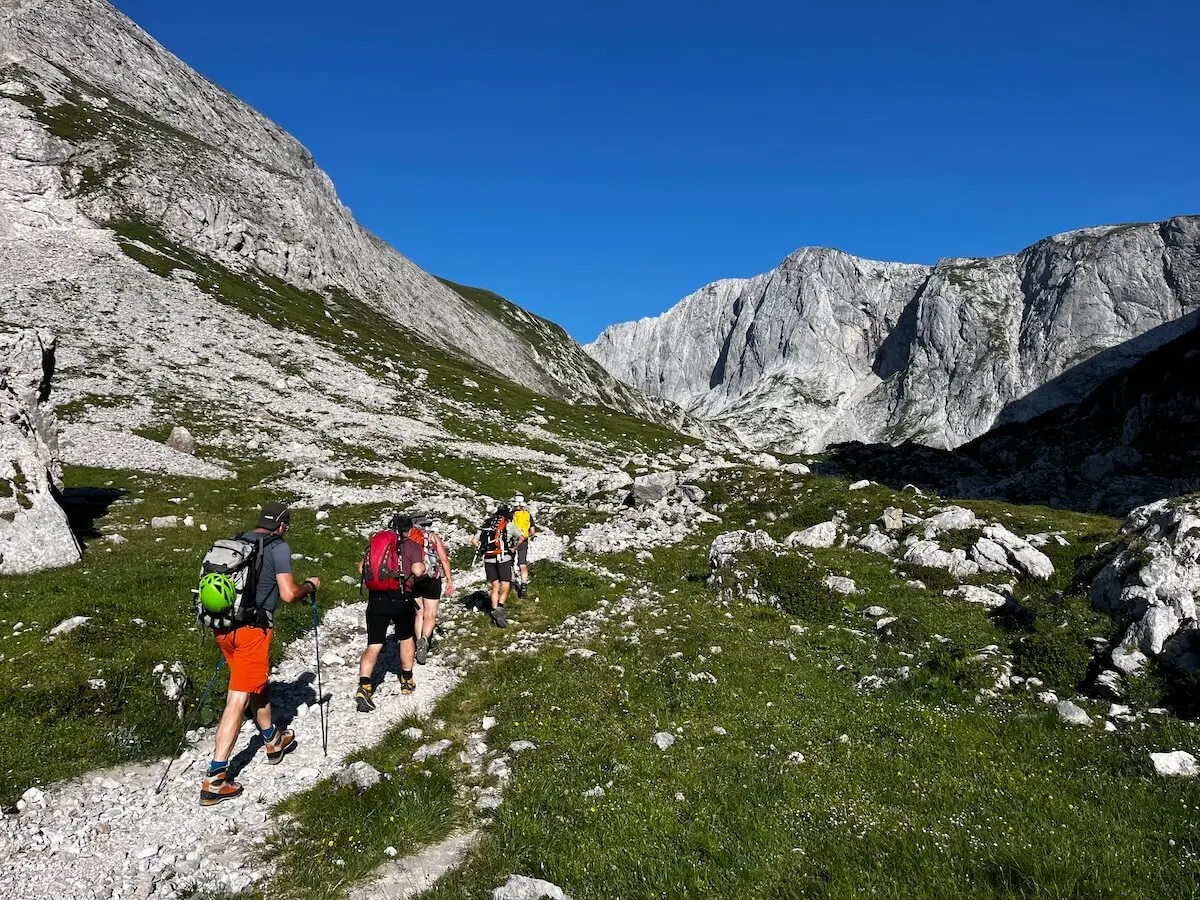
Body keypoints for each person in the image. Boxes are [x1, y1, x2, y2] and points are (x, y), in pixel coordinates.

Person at [200, 501, 319, 807]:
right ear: (282, 525)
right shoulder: (279, 547)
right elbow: (288, 594)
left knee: (255, 683)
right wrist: (309, 586)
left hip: (223, 627)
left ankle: (272, 739)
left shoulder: (240, 540)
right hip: (253, 631)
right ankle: (216, 778)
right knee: (238, 698)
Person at [355, 514, 425, 712]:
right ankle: (407, 680)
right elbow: (418, 570)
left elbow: (361, 568)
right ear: (409, 530)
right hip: (401, 597)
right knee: (405, 637)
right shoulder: (412, 545)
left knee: (374, 643)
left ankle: (365, 685)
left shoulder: (378, 542)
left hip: (376, 599)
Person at [411, 515, 453, 665]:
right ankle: (424, 640)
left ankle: (418, 641)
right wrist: (449, 580)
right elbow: (444, 559)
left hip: (415, 579)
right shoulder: (433, 537)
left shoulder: (409, 538)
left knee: (419, 613)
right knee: (430, 614)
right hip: (432, 578)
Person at [473, 503, 522, 628]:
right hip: (503, 557)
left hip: (488, 558)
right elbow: (522, 537)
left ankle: (494, 611)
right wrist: (514, 548)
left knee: (495, 585)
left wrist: (483, 549)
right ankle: (499, 607)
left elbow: (474, 540)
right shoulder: (509, 524)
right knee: (505, 583)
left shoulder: (487, 524)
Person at [511, 495, 538, 595]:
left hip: (512, 541)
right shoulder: (528, 514)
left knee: (510, 562)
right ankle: (523, 585)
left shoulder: (510, 514)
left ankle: (512, 583)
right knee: (522, 564)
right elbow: (533, 531)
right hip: (524, 541)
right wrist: (525, 536)